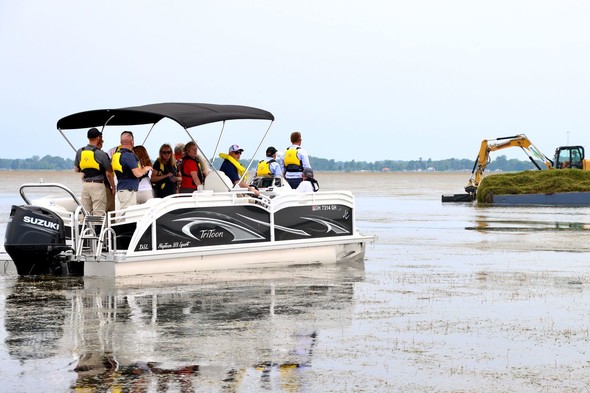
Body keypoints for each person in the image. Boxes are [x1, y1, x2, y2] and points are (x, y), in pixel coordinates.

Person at [73, 128, 115, 214]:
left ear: (88, 137)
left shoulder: (80, 151)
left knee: (86, 211)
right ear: (98, 138)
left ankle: (84, 226)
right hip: (98, 185)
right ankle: (98, 227)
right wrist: (113, 187)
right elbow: (109, 173)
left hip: (85, 185)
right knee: (99, 212)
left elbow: (76, 169)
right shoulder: (101, 153)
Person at [111, 131, 152, 209]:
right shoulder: (129, 156)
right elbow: (137, 173)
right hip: (128, 190)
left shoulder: (116, 155)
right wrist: (146, 168)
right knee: (128, 214)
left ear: (121, 142)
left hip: (121, 188)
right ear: (131, 141)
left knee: (122, 212)